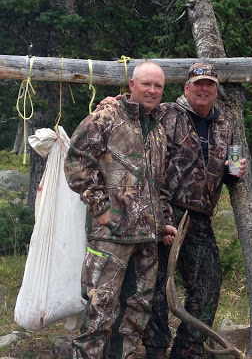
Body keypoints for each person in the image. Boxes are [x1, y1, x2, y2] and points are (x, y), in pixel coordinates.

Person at [101, 62, 247, 359]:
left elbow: (220, 170)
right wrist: (112, 103)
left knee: (208, 286)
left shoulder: (224, 126)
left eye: (209, 85)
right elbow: (130, 114)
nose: (203, 89)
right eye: (198, 84)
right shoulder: (165, 113)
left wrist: (233, 173)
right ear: (186, 88)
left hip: (200, 219)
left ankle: (186, 351)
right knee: (155, 288)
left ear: (216, 90)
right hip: (163, 213)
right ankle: (154, 350)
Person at [65, 61, 176, 359]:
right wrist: (99, 207)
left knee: (135, 318)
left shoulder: (158, 129)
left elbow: (159, 181)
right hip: (111, 237)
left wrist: (163, 220)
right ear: (131, 86)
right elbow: (77, 159)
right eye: (146, 84)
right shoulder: (107, 116)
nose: (152, 90)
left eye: (158, 86)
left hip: (146, 240)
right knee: (99, 315)